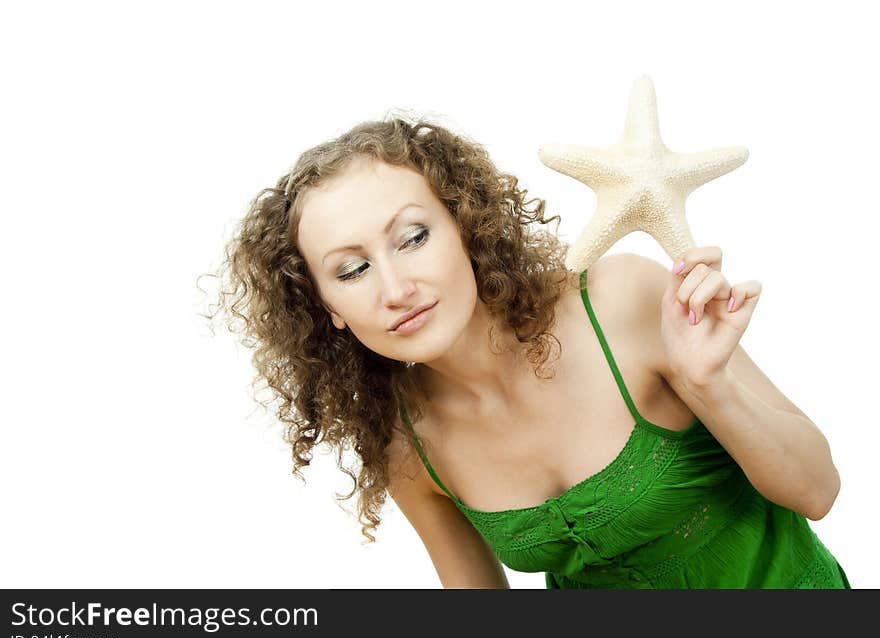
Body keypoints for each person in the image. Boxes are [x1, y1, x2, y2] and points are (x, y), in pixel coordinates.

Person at [204, 111, 850, 589]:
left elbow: (817, 490)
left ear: (464, 228)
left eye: (413, 237)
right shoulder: (408, 445)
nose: (396, 288)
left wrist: (711, 385)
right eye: (351, 270)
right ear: (328, 311)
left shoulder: (623, 299)